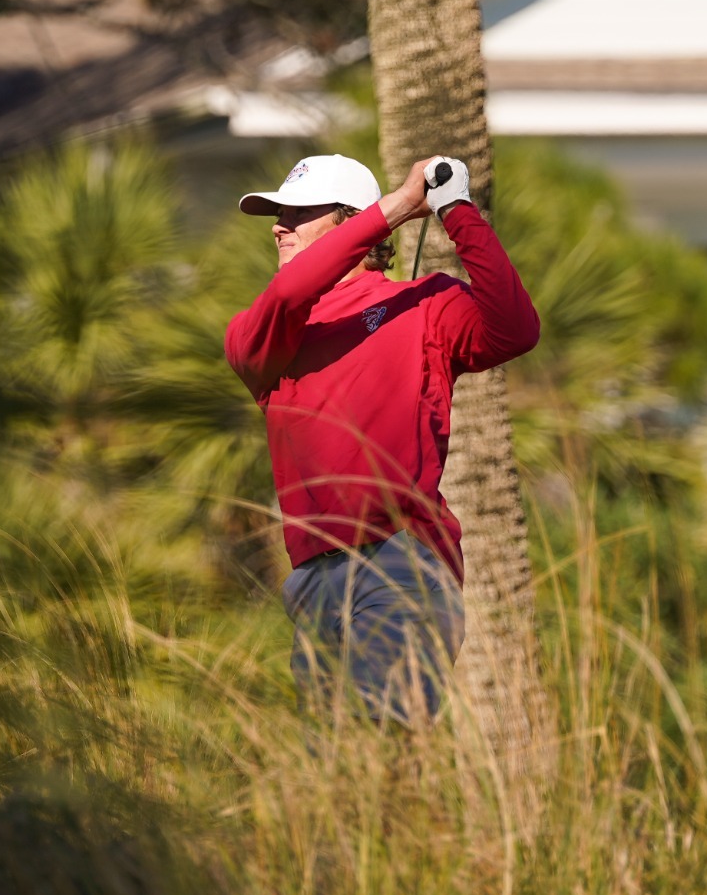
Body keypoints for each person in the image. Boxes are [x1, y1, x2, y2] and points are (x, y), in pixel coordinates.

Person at [224, 153, 540, 723]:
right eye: (278, 213)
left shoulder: (426, 303)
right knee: (339, 784)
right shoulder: (262, 332)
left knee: (378, 742)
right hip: (314, 585)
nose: (279, 226)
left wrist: (456, 210)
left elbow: (515, 330)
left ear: (349, 222)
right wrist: (396, 207)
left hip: (403, 564)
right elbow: (288, 296)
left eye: (298, 212)